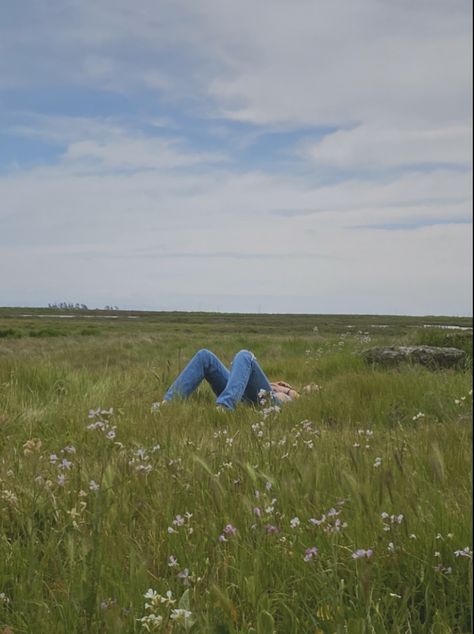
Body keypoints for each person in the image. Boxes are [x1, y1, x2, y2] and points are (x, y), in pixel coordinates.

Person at [162, 348, 299, 411]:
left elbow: (296, 397)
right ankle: (167, 404)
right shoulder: (266, 383)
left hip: (268, 403)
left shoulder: (292, 393)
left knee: (245, 355)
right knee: (205, 356)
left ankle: (224, 407)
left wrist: (287, 390)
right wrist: (274, 384)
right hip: (240, 392)